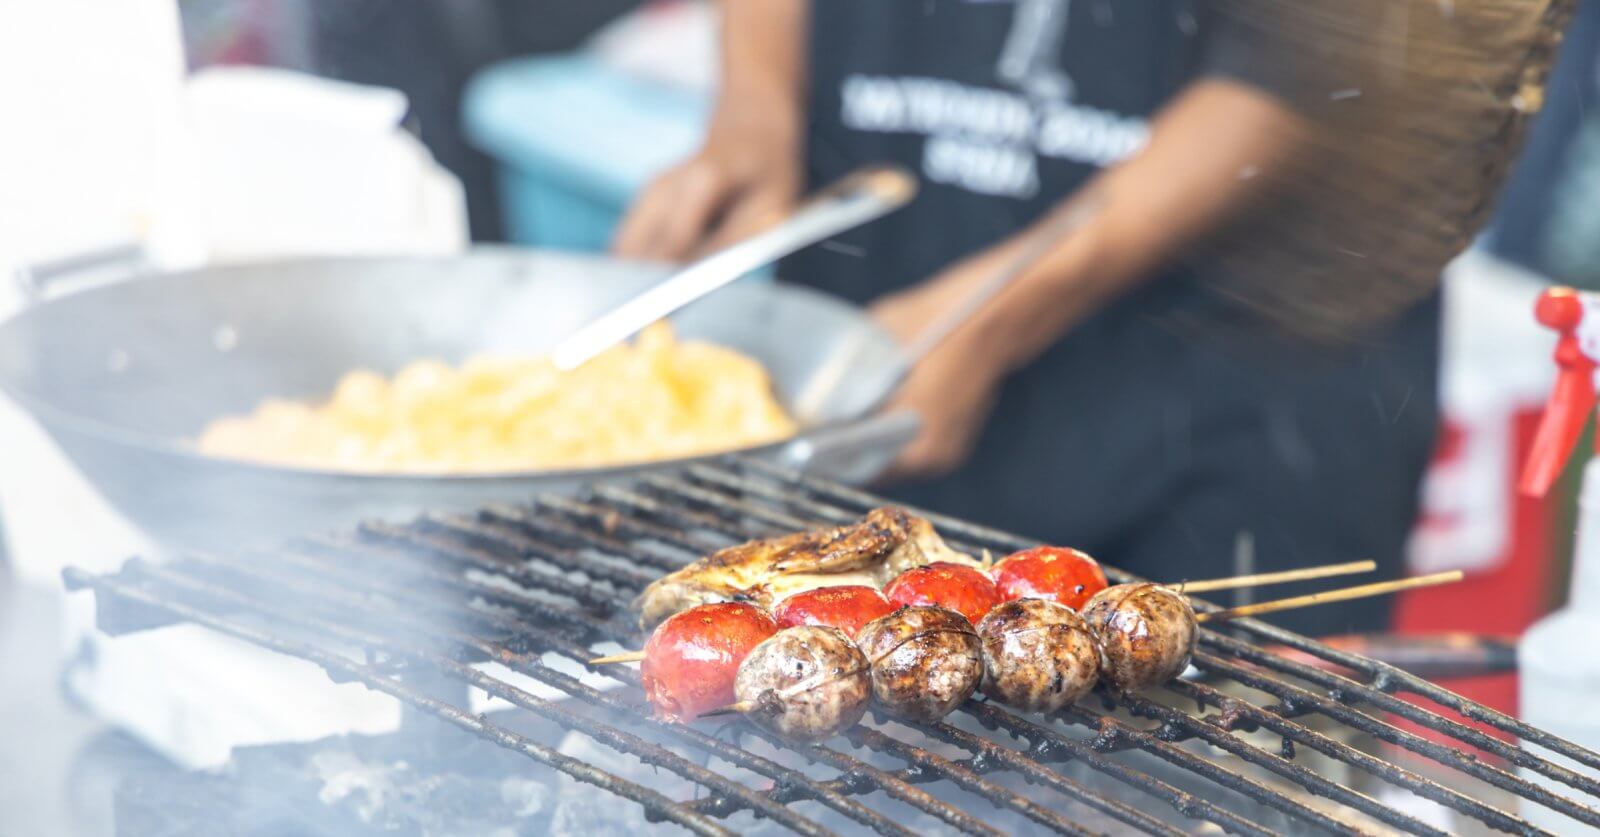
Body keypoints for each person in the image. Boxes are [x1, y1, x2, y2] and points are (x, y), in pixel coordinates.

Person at [614, 0, 1441, 636]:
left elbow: (1329, 54)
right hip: (897, 274)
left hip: (1235, 374)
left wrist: (995, 314)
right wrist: (755, 110)